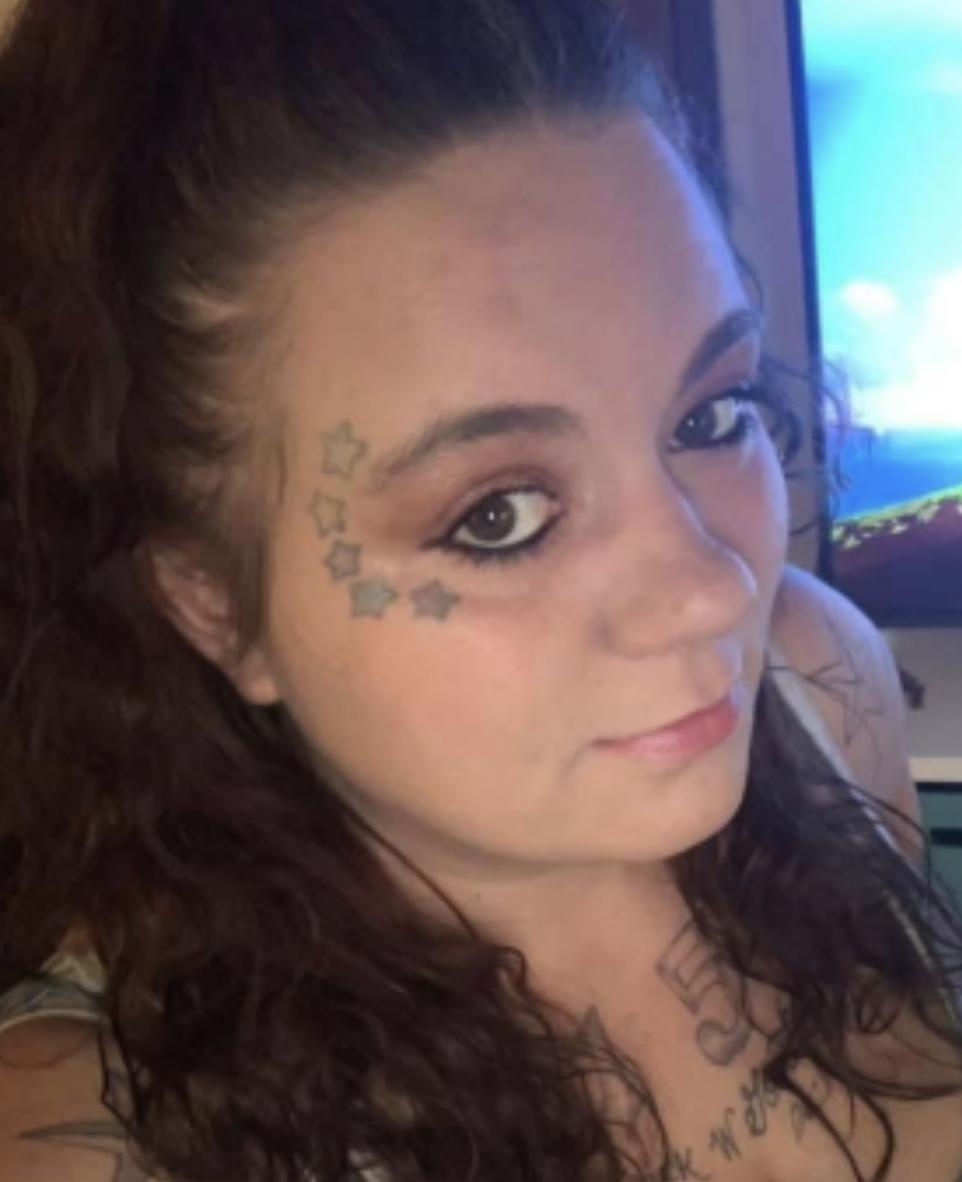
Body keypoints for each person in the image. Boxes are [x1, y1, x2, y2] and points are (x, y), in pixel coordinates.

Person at [1, 1, 960, 1180]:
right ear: (213, 601)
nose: (709, 593)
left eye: (710, 414)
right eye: (497, 515)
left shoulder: (816, 687)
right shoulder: (94, 1134)